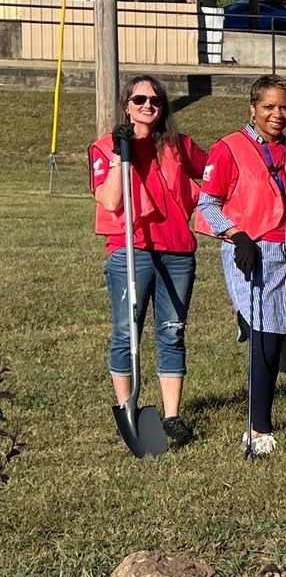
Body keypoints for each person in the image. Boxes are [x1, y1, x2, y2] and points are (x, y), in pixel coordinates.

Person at [194, 74, 286, 457]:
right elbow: (206, 204)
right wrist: (236, 234)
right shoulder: (229, 148)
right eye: (269, 107)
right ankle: (258, 429)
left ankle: (262, 416)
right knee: (265, 335)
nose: (278, 114)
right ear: (253, 109)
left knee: (280, 336)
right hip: (251, 250)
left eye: (284, 107)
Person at [89, 75, 206, 447]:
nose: (147, 106)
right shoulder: (106, 146)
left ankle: (171, 416)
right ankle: (128, 408)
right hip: (131, 248)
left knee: (172, 330)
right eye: (139, 99)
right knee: (128, 332)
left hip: (176, 250)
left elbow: (214, 174)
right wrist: (118, 158)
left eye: (155, 100)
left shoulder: (179, 145)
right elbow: (109, 202)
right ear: (127, 104)